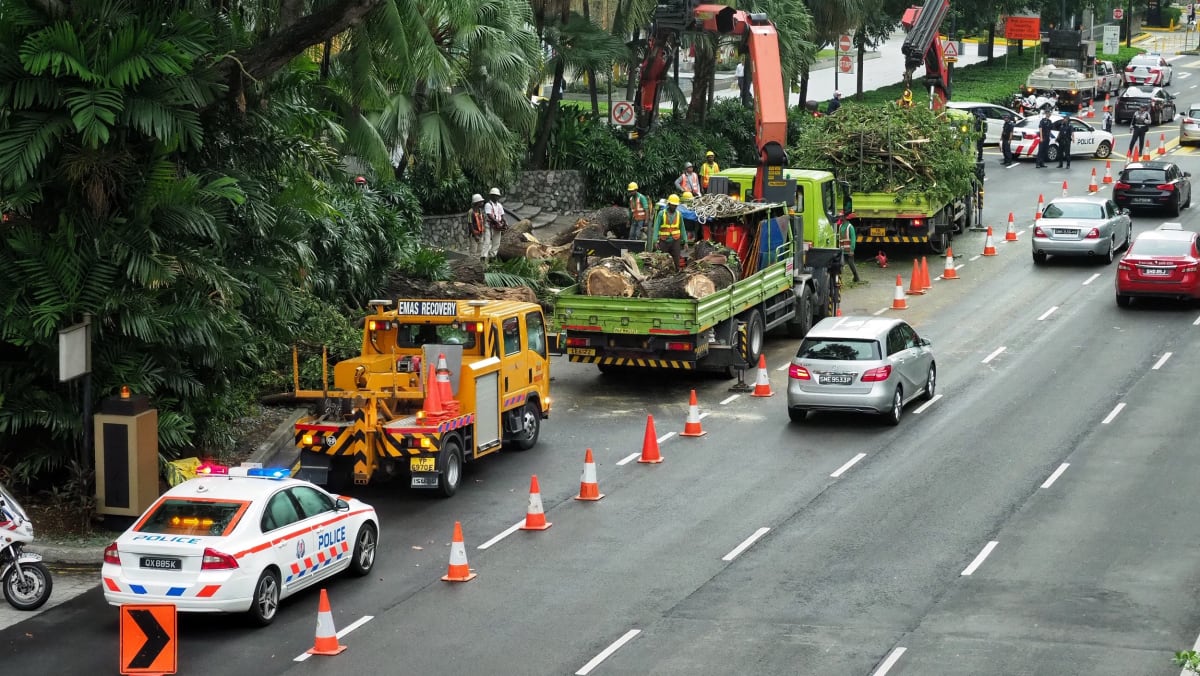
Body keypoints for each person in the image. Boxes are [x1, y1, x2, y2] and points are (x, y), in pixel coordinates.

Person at [652, 194, 687, 270]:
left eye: (675, 205)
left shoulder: (679, 214)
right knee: (662, 261)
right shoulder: (662, 214)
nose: (674, 207)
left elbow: (682, 228)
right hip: (664, 241)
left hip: (675, 241)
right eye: (673, 205)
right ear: (669, 204)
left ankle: (677, 274)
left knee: (676, 261)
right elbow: (656, 227)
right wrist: (655, 241)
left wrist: (685, 241)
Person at [483, 187, 506, 261]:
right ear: (491, 196)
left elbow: (502, 215)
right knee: (487, 242)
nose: (496, 197)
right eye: (494, 195)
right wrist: (497, 222)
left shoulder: (499, 205)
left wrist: (505, 222)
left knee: (497, 242)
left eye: (497, 196)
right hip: (489, 226)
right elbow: (489, 215)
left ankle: (492, 256)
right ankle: (483, 257)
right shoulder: (488, 204)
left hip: (497, 226)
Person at [839, 219, 860, 283]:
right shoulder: (840, 226)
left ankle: (856, 277)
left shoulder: (850, 227)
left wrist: (852, 250)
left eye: (841, 217)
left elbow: (853, 239)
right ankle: (839, 280)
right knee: (840, 264)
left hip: (849, 250)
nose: (840, 218)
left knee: (851, 263)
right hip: (842, 249)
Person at [468, 193, 486, 260]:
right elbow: (470, 224)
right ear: (477, 202)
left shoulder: (480, 211)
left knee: (479, 251)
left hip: (480, 234)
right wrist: (475, 235)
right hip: (474, 235)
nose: (482, 203)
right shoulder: (471, 212)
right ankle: (471, 265)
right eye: (481, 201)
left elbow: (481, 221)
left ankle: (477, 265)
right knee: (473, 251)